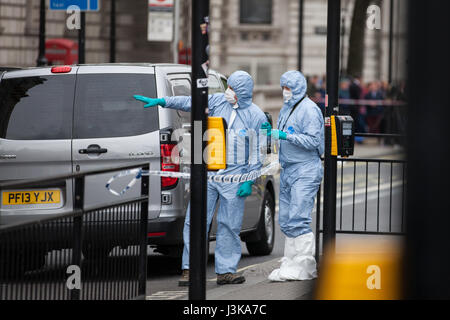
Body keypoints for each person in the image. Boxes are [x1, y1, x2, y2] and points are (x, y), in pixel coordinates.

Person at [134, 70, 267, 286]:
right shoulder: (217, 102)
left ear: (242, 91)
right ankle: (190, 269)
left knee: (229, 225)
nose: (228, 91)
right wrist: (162, 101)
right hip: (209, 172)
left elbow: (257, 151)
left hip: (235, 178)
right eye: (229, 86)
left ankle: (225, 272)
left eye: (232, 88)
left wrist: (248, 180)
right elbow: (190, 101)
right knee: (195, 221)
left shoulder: (256, 116)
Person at [261, 70, 324, 281]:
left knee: (298, 217)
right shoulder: (288, 107)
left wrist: (286, 136)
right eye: (283, 87)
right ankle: (291, 261)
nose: (284, 92)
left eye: (288, 88)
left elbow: (314, 142)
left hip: (305, 169)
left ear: (298, 88)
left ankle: (305, 265)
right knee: (286, 219)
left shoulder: (309, 110)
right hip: (289, 169)